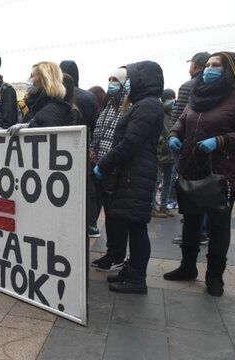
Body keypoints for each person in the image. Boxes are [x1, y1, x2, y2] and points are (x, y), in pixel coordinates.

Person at [165, 51, 235, 297]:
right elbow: (183, 119)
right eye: (208, 65)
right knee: (190, 220)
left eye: (216, 66)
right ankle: (187, 267)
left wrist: (220, 140)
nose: (209, 69)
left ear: (229, 70)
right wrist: (174, 135)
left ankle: (214, 276)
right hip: (192, 167)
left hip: (222, 174)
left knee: (218, 226)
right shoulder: (197, 95)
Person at [94, 60, 165, 294]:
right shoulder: (145, 104)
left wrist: (104, 164)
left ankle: (137, 279)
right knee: (134, 225)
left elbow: (130, 142)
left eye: (131, 80)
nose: (127, 85)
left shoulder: (147, 106)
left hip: (136, 173)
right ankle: (131, 270)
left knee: (136, 227)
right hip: (133, 172)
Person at [90, 67, 130, 271]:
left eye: (115, 80)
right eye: (109, 79)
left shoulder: (127, 107)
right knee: (109, 212)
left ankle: (117, 256)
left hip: (114, 168)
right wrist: (93, 151)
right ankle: (111, 252)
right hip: (102, 167)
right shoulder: (108, 106)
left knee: (116, 216)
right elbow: (99, 132)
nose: (111, 83)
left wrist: (106, 163)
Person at [170, 52, 211, 243]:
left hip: (186, 145)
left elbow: (178, 116)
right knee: (205, 187)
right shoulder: (214, 87)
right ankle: (204, 230)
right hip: (205, 146)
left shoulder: (188, 87)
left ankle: (195, 232)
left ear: (195, 65)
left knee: (188, 189)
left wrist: (172, 136)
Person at [6, 61, 76, 135]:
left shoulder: (52, 110)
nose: (28, 80)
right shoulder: (38, 106)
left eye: (32, 76)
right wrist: (2, 133)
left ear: (44, 80)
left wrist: (28, 127)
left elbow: (47, 140)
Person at [151, 89, 176, 218]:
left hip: (171, 155)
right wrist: (162, 142)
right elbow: (155, 131)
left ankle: (164, 206)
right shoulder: (158, 113)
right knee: (157, 181)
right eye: (170, 98)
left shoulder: (173, 114)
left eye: (174, 98)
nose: (173, 100)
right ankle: (152, 208)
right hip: (160, 154)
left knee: (168, 182)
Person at [60, 60, 100, 130]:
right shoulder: (90, 97)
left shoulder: (56, 95)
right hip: (85, 137)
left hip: (61, 137)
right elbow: (95, 123)